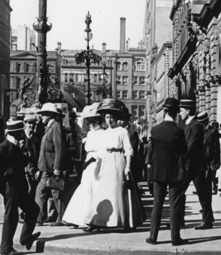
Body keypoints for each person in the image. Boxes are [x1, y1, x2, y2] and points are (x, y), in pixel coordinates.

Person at [88, 99, 145, 231]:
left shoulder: (122, 131)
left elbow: (128, 150)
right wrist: (99, 168)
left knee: (119, 191)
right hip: (107, 160)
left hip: (119, 160)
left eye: (111, 117)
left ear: (116, 118)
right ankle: (98, 221)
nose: (109, 120)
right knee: (104, 190)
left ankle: (125, 221)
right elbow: (102, 151)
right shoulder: (105, 132)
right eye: (107, 117)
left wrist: (128, 167)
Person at [0, 120, 41, 255]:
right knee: (11, 217)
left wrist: (25, 154)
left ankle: (25, 238)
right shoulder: (3, 146)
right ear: (16, 133)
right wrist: (6, 171)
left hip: (19, 187)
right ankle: (6, 249)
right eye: (21, 131)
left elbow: (20, 162)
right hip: (10, 188)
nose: (23, 133)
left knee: (33, 209)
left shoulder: (15, 145)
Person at [146, 97, 188, 246]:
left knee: (157, 204)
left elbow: (152, 151)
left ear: (164, 112)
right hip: (175, 173)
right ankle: (175, 238)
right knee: (174, 205)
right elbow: (184, 151)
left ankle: (153, 237)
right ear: (176, 113)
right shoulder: (178, 131)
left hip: (158, 172)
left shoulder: (155, 130)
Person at [62, 102, 106, 229]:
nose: (90, 124)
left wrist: (88, 162)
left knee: (93, 190)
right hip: (87, 165)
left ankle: (93, 220)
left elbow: (102, 152)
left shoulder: (103, 134)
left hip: (96, 164)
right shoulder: (90, 134)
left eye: (92, 121)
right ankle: (77, 218)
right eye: (89, 121)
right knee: (84, 189)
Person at [177, 99, 214, 230]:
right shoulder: (188, 124)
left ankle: (207, 221)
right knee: (179, 192)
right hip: (188, 165)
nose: (180, 113)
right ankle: (178, 221)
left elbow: (191, 146)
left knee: (202, 194)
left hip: (195, 166)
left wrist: (180, 155)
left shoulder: (196, 125)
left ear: (188, 111)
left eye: (181, 110)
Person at [35, 102, 67, 226]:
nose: (42, 117)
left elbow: (59, 149)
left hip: (52, 168)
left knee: (55, 193)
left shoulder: (55, 127)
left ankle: (61, 218)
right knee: (42, 191)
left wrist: (57, 168)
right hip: (46, 168)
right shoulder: (50, 127)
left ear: (49, 115)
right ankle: (39, 217)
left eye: (43, 114)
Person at [197, 111, 221, 197]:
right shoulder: (199, 131)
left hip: (210, 161)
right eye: (200, 122)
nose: (201, 124)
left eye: (202, 122)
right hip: (200, 162)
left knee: (207, 183)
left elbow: (217, 148)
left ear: (206, 121)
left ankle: (207, 207)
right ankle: (205, 206)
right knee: (201, 184)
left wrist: (217, 162)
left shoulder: (213, 131)